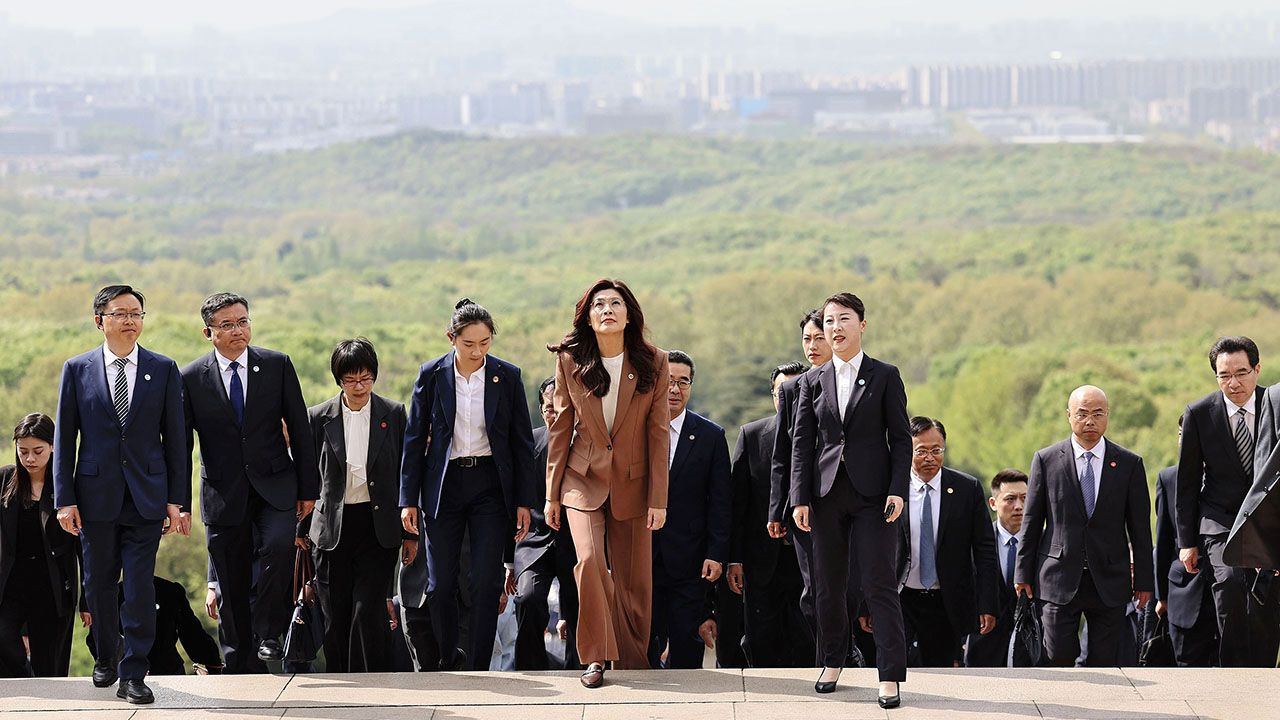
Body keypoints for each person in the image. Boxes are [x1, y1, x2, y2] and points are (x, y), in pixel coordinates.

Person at [53, 284, 190, 704]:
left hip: (146, 496)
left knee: (139, 586)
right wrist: (64, 498)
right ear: (100, 321)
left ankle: (134, 671)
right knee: (97, 582)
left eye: (136, 313)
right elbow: (66, 437)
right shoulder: (76, 369)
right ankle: (106, 653)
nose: (130, 320)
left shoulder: (163, 368)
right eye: (121, 313)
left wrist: (176, 499)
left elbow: (177, 439)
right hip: (94, 496)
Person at [182, 291, 318, 673]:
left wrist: (309, 490)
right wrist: (178, 502)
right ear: (208, 332)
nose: (239, 330)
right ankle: (237, 661)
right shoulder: (191, 378)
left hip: (276, 485)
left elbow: (301, 432)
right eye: (227, 324)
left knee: (278, 547)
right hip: (223, 494)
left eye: (243, 321)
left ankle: (270, 633)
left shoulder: (276, 365)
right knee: (231, 580)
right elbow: (181, 446)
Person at [544, 277, 670, 688]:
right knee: (589, 561)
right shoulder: (570, 360)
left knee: (635, 581)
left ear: (629, 313)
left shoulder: (654, 361)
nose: (608, 310)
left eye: (616, 303)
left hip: (634, 483)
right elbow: (561, 427)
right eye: (599, 305)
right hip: (582, 479)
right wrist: (552, 494)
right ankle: (595, 657)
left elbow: (658, 432)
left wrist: (658, 498)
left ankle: (633, 661)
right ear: (589, 316)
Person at [399, 299, 536, 672]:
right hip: (444, 485)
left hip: (490, 485)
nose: (477, 351)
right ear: (451, 338)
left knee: (486, 582)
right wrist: (407, 499)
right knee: (440, 585)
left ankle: (477, 665)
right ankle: (448, 657)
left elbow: (521, 443)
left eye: (485, 343)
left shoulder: (506, 376)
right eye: (469, 343)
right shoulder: (431, 374)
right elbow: (414, 438)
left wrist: (525, 501)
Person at [790, 291, 908, 707]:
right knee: (828, 585)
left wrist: (898, 489)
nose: (834, 328)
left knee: (878, 583)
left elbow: (901, 438)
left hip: (874, 495)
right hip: (824, 496)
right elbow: (801, 444)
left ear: (862, 325)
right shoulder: (810, 380)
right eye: (828, 321)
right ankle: (832, 661)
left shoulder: (885, 374)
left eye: (843, 319)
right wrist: (799, 498)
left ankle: (890, 674)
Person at [1014, 385, 1154, 667]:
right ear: (1069, 416)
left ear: (1107, 416)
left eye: (1098, 413)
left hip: (1110, 577)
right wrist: (1022, 572)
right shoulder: (1047, 460)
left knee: (1106, 660)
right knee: (1057, 656)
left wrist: (1144, 581)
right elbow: (1031, 522)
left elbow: (1140, 529)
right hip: (1057, 576)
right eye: (1082, 414)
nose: (1090, 421)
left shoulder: (1129, 463)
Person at [770, 309, 869, 668]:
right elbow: (784, 452)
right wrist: (779, 508)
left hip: (852, 501)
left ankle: (844, 649)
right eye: (806, 339)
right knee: (815, 591)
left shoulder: (862, 381)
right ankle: (831, 658)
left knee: (850, 587)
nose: (812, 346)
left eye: (818, 338)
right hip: (808, 506)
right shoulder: (795, 388)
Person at [304, 338, 407, 672]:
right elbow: (306, 477)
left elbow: (406, 473)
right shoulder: (319, 417)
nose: (359, 386)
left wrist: (411, 534)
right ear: (339, 380)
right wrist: (300, 530)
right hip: (333, 527)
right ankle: (343, 684)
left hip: (378, 526)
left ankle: (375, 683)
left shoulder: (393, 414)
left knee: (369, 611)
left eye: (366, 378)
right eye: (351, 379)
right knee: (335, 614)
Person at [1177, 336, 1279, 667]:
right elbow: (1187, 483)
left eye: (1241, 372)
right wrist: (1187, 542)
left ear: (1257, 369)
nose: (1233, 383)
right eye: (1224, 375)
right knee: (1231, 587)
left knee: (1265, 598)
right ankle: (1234, 675)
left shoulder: (1274, 405)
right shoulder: (1199, 413)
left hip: (1267, 520)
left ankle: (1262, 675)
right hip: (1219, 520)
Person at [886, 416, 999, 667]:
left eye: (936, 450)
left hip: (947, 601)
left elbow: (985, 551)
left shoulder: (966, 489)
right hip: (899, 596)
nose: (930, 458)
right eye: (922, 451)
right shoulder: (890, 488)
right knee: (897, 667)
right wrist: (865, 604)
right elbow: (870, 549)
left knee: (942, 673)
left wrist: (987, 603)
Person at [648, 350, 731, 669]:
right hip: (643, 556)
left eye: (683, 382)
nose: (675, 389)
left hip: (691, 559)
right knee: (643, 642)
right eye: (668, 381)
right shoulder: (636, 429)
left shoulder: (710, 436)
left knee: (686, 643)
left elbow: (720, 502)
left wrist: (716, 553)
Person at [730, 362, 813, 667]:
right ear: (773, 396)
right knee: (761, 641)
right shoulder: (752, 435)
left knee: (807, 640)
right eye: (783, 392)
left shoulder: (824, 437)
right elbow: (738, 504)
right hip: (762, 560)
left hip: (809, 559)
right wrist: (734, 559)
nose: (789, 399)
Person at [0, 413, 88, 677]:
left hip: (53, 587)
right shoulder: (5, 480)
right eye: (23, 451)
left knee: (50, 667)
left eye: (38, 451)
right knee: (4, 639)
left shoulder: (69, 486)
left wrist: (88, 597)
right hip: (10, 584)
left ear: (53, 446)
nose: (29, 459)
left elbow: (84, 546)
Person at [514, 376, 580, 670]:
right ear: (541, 410)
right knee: (528, 599)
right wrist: (508, 563)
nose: (554, 414)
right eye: (548, 409)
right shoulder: (529, 444)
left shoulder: (585, 444)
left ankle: (579, 669)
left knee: (580, 606)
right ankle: (531, 669)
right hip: (534, 542)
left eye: (560, 408)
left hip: (577, 541)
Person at [1154, 415, 1218, 666]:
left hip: (1227, 592)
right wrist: (1161, 596)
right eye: (1182, 435)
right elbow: (1164, 539)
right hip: (1182, 593)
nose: (1186, 440)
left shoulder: (1234, 475)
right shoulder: (1168, 478)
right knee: (1186, 671)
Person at [88, 575, 222, 675]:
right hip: (161, 671)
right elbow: (192, 634)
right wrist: (213, 662)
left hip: (164, 673)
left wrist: (213, 662)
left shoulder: (169, 591)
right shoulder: (168, 590)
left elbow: (191, 634)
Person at [963, 469, 1028, 667]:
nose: (1019, 506)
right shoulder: (972, 542)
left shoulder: (1044, 543)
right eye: (1010, 499)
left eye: (1025, 498)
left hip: (1030, 645)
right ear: (993, 503)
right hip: (983, 643)